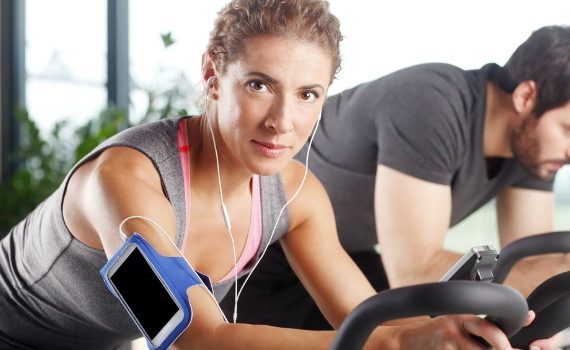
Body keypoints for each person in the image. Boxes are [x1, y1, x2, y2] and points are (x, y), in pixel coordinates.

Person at [3, 0, 553, 349]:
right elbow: (190, 339)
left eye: (308, 94)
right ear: (213, 75)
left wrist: (461, 335)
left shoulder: (296, 195)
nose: (282, 122)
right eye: (259, 84)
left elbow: (373, 321)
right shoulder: (124, 181)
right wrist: (396, 344)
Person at [222, 23, 570, 338]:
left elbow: (537, 272)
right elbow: (415, 270)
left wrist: (538, 338)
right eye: (567, 130)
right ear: (526, 97)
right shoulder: (433, 100)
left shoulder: (535, 150)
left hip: (346, 256)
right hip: (260, 255)